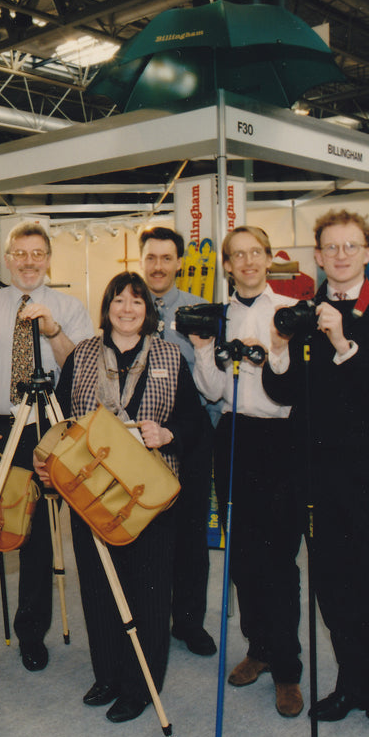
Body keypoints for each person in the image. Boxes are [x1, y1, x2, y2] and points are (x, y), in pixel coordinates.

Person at [262, 209, 369, 737]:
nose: (342, 255)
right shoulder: (302, 316)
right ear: (319, 255)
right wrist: (279, 354)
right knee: (332, 586)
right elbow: (284, 396)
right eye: (331, 247)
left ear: (368, 252)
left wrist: (343, 340)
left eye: (351, 246)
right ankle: (350, 684)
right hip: (317, 476)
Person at [36, 272, 202, 723]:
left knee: (148, 590)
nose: (127, 309)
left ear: (148, 310)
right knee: (98, 584)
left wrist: (167, 432)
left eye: (137, 302)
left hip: (150, 492)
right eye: (118, 301)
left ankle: (141, 684)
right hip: (92, 489)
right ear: (106, 307)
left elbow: (194, 420)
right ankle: (107, 673)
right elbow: (64, 419)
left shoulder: (170, 355)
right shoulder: (83, 354)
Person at [0, 222, 94, 671]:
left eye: (37, 253)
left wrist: (54, 331)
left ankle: (31, 633)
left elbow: (81, 372)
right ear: (7, 258)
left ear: (50, 257)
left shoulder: (70, 307)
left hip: (46, 426)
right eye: (20, 253)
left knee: (38, 537)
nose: (29, 261)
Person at [189, 226, 305, 718]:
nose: (248, 262)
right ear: (229, 266)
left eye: (255, 252)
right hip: (234, 436)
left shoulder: (287, 313)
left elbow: (295, 386)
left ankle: (287, 670)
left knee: (280, 558)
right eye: (238, 256)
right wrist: (200, 348)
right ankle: (259, 648)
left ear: (267, 257)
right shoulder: (221, 316)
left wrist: (275, 348)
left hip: (280, 439)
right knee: (241, 556)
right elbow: (214, 390)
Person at [138, 225, 216, 657]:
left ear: (180, 263)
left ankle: (189, 621)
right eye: (151, 258)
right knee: (147, 527)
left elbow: (211, 375)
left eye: (167, 258)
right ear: (141, 260)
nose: (159, 266)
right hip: (141, 438)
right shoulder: (128, 306)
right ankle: (149, 615)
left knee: (190, 531)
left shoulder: (197, 310)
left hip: (189, 435)